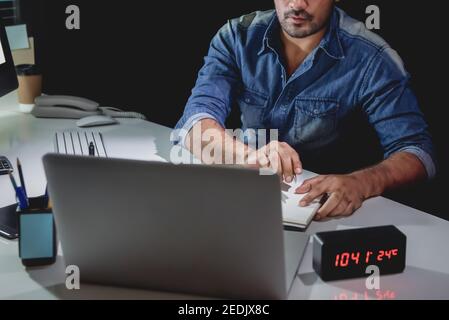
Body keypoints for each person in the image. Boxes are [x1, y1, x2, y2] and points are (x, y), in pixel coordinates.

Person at [174, 0, 435, 220]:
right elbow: (195, 121)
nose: (298, 4)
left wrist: (361, 182)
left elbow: (418, 153)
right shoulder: (236, 36)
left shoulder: (372, 58)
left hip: (325, 211)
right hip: (243, 196)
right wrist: (248, 157)